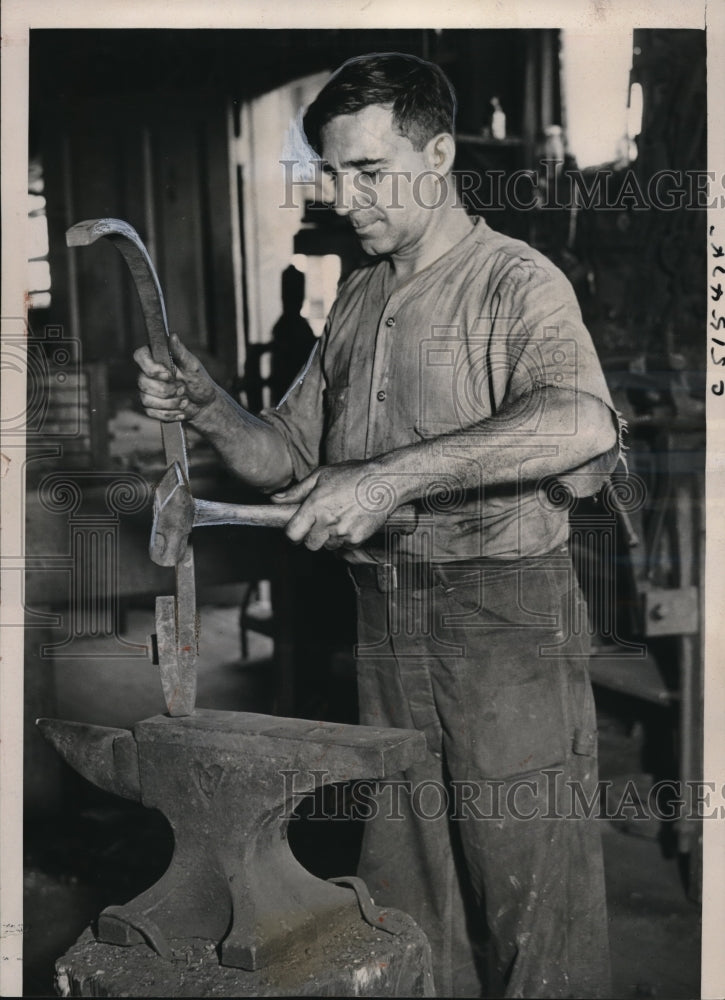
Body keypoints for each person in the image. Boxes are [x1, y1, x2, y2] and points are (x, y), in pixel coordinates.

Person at [135, 52, 619, 998]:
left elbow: (582, 420)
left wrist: (387, 478)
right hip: (385, 623)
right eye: (330, 173)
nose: (342, 198)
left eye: (366, 171)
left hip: (504, 626)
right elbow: (287, 453)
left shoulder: (517, 283)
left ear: (436, 156)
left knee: (531, 902)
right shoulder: (360, 294)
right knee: (402, 896)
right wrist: (208, 407)